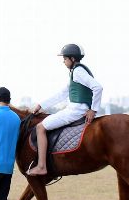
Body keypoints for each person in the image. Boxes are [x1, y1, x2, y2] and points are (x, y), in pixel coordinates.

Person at [26, 44, 103, 177]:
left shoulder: (78, 72)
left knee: (40, 127)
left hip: (75, 110)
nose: (63, 61)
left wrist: (93, 110)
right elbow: (62, 94)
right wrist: (41, 105)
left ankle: (41, 166)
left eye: (65, 59)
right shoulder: (76, 72)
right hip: (75, 109)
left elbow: (98, 87)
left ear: (72, 58)